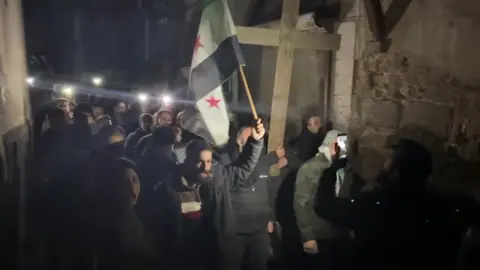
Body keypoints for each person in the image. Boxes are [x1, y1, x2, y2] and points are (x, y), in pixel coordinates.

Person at [314, 139, 466, 270]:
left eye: (389, 160)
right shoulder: (438, 207)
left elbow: (324, 206)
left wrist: (331, 170)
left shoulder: (378, 204)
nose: (384, 164)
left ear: (397, 170)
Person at [149, 119, 265, 270]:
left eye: (209, 161)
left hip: (217, 251)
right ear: (187, 160)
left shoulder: (219, 176)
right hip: (185, 256)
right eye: (200, 162)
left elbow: (244, 166)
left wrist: (255, 142)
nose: (205, 167)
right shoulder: (168, 188)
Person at [221, 126, 286, 270]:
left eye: (256, 137)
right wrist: (273, 156)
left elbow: (266, 192)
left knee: (260, 264)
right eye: (250, 137)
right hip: (237, 228)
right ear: (239, 141)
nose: (254, 138)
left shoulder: (262, 163)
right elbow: (247, 175)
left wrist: (269, 217)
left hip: (259, 228)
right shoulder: (230, 162)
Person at [293, 130, 350, 269]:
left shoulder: (344, 168)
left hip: (338, 232)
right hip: (318, 233)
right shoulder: (310, 168)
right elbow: (301, 203)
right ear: (332, 144)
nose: (345, 148)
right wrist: (308, 236)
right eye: (341, 143)